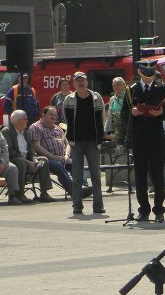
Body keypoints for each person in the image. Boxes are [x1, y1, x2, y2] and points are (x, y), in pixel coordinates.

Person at [120, 60, 165, 223]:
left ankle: (159, 209)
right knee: (140, 175)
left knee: (157, 174)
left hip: (156, 137)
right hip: (139, 137)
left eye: (151, 75)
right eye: (145, 75)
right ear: (140, 73)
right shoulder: (131, 90)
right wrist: (132, 113)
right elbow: (123, 115)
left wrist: (161, 112)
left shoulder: (163, 89)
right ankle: (143, 209)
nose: (148, 79)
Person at [62, 71, 105, 215]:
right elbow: (67, 121)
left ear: (87, 82)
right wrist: (70, 139)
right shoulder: (68, 100)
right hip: (76, 142)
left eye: (83, 80)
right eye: (78, 81)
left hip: (93, 141)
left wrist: (100, 138)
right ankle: (77, 206)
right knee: (77, 176)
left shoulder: (96, 97)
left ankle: (98, 206)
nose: (81, 83)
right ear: (74, 84)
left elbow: (102, 118)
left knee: (96, 176)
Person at [2, 109, 55, 203]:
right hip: (13, 160)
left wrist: (34, 160)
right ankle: (19, 194)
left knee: (43, 160)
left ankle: (44, 192)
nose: (27, 121)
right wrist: (28, 162)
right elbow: (10, 151)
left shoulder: (25, 132)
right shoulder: (7, 132)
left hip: (27, 159)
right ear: (19, 121)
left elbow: (30, 149)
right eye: (26, 119)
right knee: (21, 162)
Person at [29, 106, 77, 198]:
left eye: (55, 115)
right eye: (50, 114)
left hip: (62, 158)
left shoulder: (58, 128)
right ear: (43, 115)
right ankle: (74, 192)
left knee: (76, 164)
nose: (53, 117)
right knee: (57, 165)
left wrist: (67, 155)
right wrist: (54, 157)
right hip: (44, 159)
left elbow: (67, 144)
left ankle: (80, 187)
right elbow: (36, 146)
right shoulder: (36, 127)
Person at [105, 76, 127, 145]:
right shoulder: (112, 99)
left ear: (123, 85)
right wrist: (105, 130)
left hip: (126, 126)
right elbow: (109, 115)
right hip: (116, 128)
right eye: (114, 85)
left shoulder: (127, 97)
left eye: (118, 85)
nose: (116, 87)